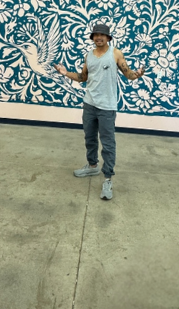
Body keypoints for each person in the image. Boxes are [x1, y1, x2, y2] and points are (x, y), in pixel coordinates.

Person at [55, 22, 145, 199]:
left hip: (107, 107)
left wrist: (137, 74)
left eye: (102, 35)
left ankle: (108, 178)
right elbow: (83, 77)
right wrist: (65, 73)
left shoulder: (115, 53)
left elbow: (128, 74)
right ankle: (92, 166)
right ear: (93, 37)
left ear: (108, 37)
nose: (98, 37)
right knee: (89, 138)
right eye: (96, 35)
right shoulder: (89, 55)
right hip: (89, 104)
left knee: (108, 143)